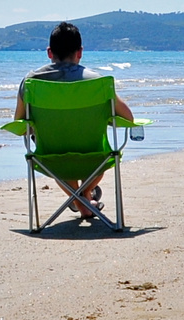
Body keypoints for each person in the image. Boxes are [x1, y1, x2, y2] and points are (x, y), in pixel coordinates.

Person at [13, 21, 136, 220]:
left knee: (53, 144)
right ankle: (85, 200)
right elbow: (128, 118)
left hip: (50, 160)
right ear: (80, 52)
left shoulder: (30, 83)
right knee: (103, 149)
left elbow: (20, 124)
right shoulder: (96, 82)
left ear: (49, 52)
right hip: (95, 159)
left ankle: (82, 202)